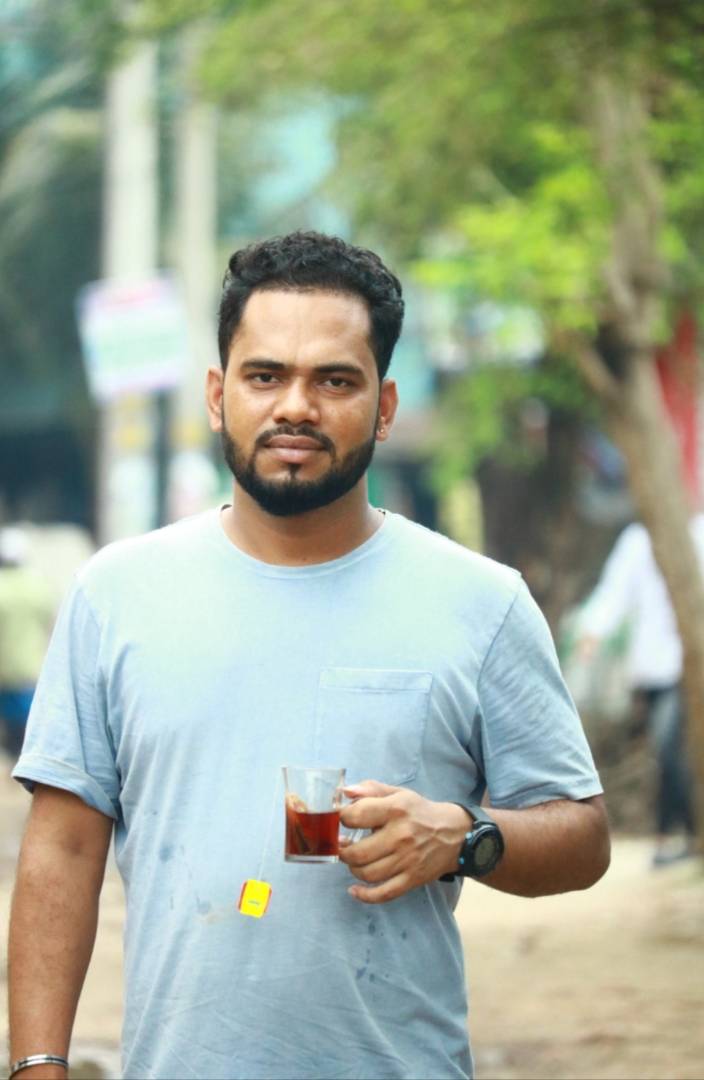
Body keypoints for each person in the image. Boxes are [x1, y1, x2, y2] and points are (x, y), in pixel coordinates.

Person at [8, 231, 609, 1080]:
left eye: (335, 380)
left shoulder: (482, 603)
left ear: (385, 407)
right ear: (217, 395)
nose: (296, 407)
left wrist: (465, 835)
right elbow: (63, 850)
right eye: (265, 376)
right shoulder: (117, 595)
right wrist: (37, 1064)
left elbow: (584, 838)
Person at [577, 517, 701, 866]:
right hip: (657, 667)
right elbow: (615, 590)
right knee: (665, 751)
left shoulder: (699, 533)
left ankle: (681, 835)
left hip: (691, 664)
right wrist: (593, 631)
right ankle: (673, 836)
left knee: (672, 748)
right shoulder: (638, 540)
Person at [0, 528, 54, 760]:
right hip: (30, 669)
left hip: (4, 670)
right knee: (28, 727)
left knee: (8, 729)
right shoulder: (37, 586)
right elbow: (49, 623)